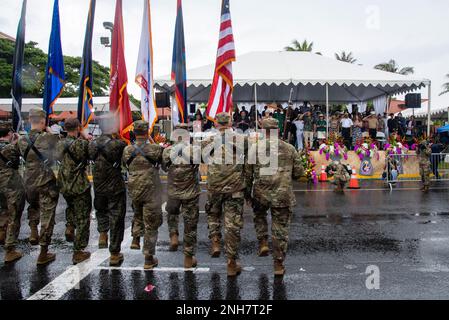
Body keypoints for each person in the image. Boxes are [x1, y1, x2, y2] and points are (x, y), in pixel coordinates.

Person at [247, 118, 304, 276]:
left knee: (259, 216)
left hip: (260, 193)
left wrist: (247, 194)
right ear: (277, 130)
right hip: (283, 194)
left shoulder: (255, 148)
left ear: (262, 131)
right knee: (280, 230)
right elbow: (299, 173)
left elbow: (247, 174)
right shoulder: (290, 148)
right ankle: (278, 264)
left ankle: (263, 241)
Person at [202, 112, 250, 276]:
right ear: (230, 123)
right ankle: (231, 262)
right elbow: (248, 158)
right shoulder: (241, 140)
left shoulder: (208, 140)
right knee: (232, 225)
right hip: (234, 187)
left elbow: (202, 158)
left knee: (213, 214)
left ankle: (215, 241)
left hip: (214, 186)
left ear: (216, 123)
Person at [18, 109, 60, 265]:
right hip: (46, 181)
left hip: (28, 180)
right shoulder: (49, 138)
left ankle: (33, 231)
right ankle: (43, 252)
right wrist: (51, 133)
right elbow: (59, 154)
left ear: (29, 120)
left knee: (33, 207)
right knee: (47, 216)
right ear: (43, 121)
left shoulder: (22, 140)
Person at [122, 120, 163, 269]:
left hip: (134, 188)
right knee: (151, 223)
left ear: (134, 132)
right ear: (147, 133)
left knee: (138, 213)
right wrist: (151, 141)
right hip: (151, 189)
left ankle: (135, 238)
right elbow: (163, 164)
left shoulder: (127, 150)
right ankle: (148, 258)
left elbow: (124, 164)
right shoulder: (155, 149)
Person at [88, 115, 127, 266]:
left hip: (98, 185)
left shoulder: (92, 145)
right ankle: (115, 253)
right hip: (115, 186)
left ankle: (103, 234)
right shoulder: (118, 144)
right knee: (116, 217)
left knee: (101, 210)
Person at [162, 123, 201, 268]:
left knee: (172, 213)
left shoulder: (167, 151)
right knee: (190, 224)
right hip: (190, 192)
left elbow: (164, 167)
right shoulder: (194, 151)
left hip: (173, 191)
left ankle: (173, 235)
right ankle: (188, 258)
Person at [55, 118, 92, 264]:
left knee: (70, 206)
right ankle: (78, 251)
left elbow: (56, 157)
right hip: (79, 183)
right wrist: (84, 135)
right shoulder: (82, 144)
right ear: (78, 128)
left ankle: (70, 226)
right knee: (83, 216)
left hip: (64, 181)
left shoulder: (59, 144)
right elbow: (90, 155)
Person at [0, 121, 25, 263]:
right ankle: (10, 249)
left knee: (3, 211)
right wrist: (17, 140)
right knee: (14, 214)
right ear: (9, 134)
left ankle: (1, 233)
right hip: (11, 183)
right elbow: (18, 159)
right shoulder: (11, 148)